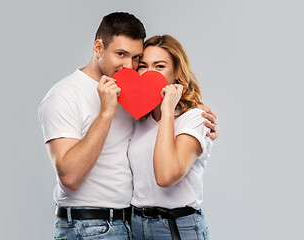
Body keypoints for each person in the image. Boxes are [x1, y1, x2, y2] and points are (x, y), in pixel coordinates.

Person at [38, 12, 218, 240]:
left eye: (135, 58)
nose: (128, 66)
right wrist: (106, 113)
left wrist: (206, 126)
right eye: (121, 54)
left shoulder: (133, 98)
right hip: (90, 225)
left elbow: (168, 137)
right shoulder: (64, 95)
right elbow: (70, 177)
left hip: (129, 224)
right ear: (98, 48)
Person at [129, 35, 213, 240]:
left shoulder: (194, 118)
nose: (150, 73)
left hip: (177, 227)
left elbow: (166, 176)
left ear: (176, 72)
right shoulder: (137, 119)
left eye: (159, 66)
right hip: (136, 225)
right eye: (143, 66)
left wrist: (167, 111)